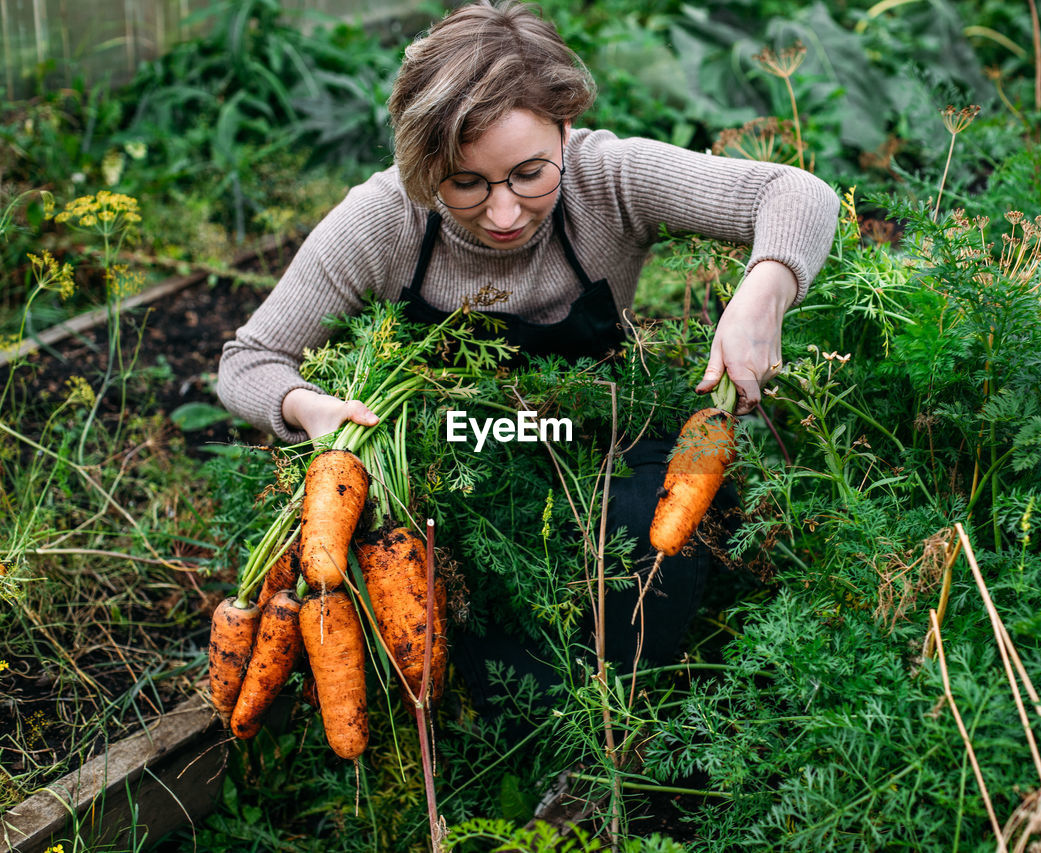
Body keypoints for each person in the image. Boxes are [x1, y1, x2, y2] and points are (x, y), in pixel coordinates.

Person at [217, 0, 838, 706]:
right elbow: (248, 360)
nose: (504, 212)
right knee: (455, 613)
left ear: (565, 130)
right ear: (425, 167)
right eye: (466, 183)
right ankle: (502, 723)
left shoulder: (610, 176)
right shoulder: (385, 219)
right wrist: (309, 409)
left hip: (601, 440)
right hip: (458, 465)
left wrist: (763, 292)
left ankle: (623, 716)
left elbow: (799, 193)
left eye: (528, 174)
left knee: (652, 535)